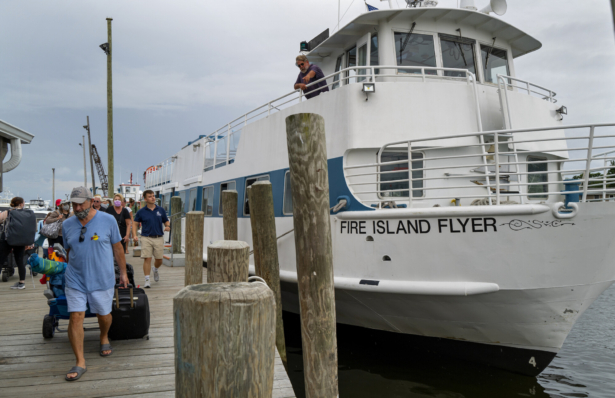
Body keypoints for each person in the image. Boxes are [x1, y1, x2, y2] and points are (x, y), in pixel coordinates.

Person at [62, 186, 129, 382]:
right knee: (75, 317)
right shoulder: (67, 224)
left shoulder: (107, 220)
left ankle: (103, 336)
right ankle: (80, 361)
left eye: (80, 203)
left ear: (91, 201)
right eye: (73, 204)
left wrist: (123, 273)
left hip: (102, 278)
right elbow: (69, 252)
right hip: (75, 278)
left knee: (104, 315)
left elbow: (118, 248)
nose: (76, 207)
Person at [132, 190, 170, 288]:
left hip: (158, 237)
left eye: (153, 196)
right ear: (145, 199)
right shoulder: (141, 212)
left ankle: (155, 269)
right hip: (146, 237)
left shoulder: (160, 210)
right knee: (147, 258)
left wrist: (167, 226)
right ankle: (147, 280)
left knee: (159, 260)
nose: (153, 198)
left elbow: (166, 221)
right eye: (150, 196)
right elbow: (135, 224)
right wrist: (134, 235)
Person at [0, 197, 28, 289]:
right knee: (20, 262)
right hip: (20, 240)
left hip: (8, 239)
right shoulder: (26, 214)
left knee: (1, 260)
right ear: (21, 204)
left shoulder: (8, 212)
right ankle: (21, 283)